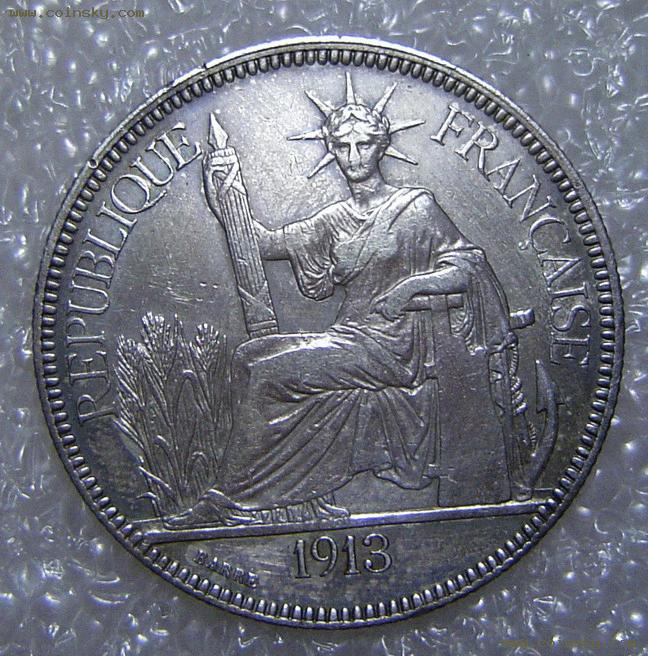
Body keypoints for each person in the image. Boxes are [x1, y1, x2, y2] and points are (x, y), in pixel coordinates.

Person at [173, 79, 530, 528]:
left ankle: (229, 501)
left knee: (269, 374)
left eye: (364, 144)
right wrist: (224, 199)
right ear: (332, 150)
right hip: (351, 338)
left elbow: (468, 265)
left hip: (394, 347)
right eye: (343, 146)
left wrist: (409, 289)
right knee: (248, 356)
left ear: (382, 147)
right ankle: (295, 497)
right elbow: (263, 243)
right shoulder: (334, 219)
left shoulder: (416, 208)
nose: (354, 155)